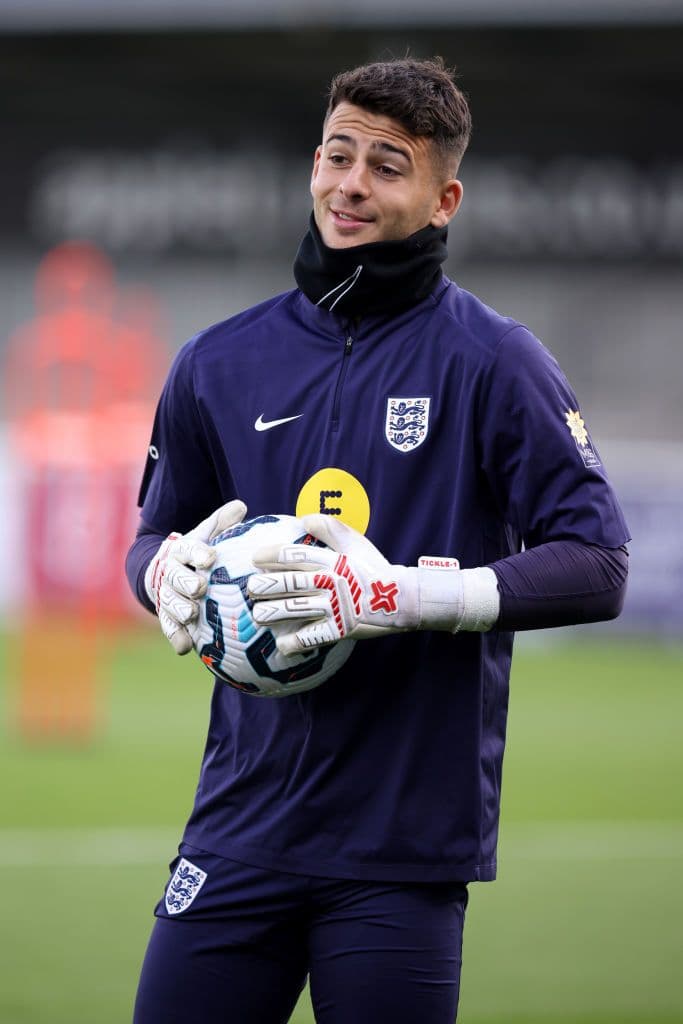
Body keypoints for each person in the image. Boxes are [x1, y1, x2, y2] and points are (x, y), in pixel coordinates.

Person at [126, 57, 629, 1024]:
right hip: (238, 828)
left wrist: (402, 597)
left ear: (443, 199)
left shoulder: (493, 360)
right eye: (336, 154)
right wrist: (164, 575)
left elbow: (597, 562)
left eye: (386, 166)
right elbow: (153, 531)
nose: (350, 184)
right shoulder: (216, 361)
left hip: (400, 850)